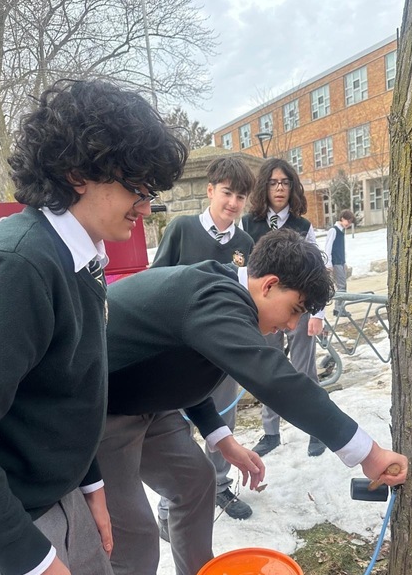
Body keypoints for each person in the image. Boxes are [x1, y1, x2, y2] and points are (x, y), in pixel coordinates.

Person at [98, 230, 407, 575]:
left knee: (196, 482)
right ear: (268, 285)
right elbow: (273, 377)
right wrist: (365, 452)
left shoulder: (225, 301)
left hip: (149, 405)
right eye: (295, 308)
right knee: (133, 538)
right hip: (102, 408)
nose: (292, 324)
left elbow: (175, 364)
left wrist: (223, 438)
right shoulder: (215, 296)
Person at [0, 79, 187, 575]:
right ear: (77, 172)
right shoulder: (19, 266)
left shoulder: (82, 258)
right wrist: (32, 567)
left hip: (65, 496)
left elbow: (68, 393)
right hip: (7, 525)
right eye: (135, 183)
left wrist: (93, 487)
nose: (145, 202)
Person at [152, 155, 256, 520]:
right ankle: (172, 497)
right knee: (177, 422)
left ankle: (220, 486)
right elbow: (156, 283)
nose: (233, 203)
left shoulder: (245, 242)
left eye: (241, 197)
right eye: (227, 192)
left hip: (221, 353)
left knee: (223, 419)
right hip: (179, 352)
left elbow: (247, 296)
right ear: (211, 190)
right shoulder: (181, 229)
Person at [242, 158, 327, 458]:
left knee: (305, 368)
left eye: (285, 182)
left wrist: (317, 314)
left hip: (300, 308)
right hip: (264, 309)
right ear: (264, 186)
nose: (279, 188)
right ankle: (271, 432)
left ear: (292, 186)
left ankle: (316, 428)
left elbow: (320, 271)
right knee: (267, 367)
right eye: (273, 182)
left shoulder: (303, 226)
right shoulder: (248, 225)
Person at [324, 208, 356, 317]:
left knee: (342, 285)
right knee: (341, 286)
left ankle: (339, 309)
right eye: (348, 221)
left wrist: (344, 262)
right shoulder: (334, 230)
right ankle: (338, 309)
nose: (349, 223)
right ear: (342, 218)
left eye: (350, 222)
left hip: (340, 262)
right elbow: (328, 248)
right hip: (335, 262)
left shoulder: (342, 231)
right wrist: (328, 264)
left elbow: (341, 248)